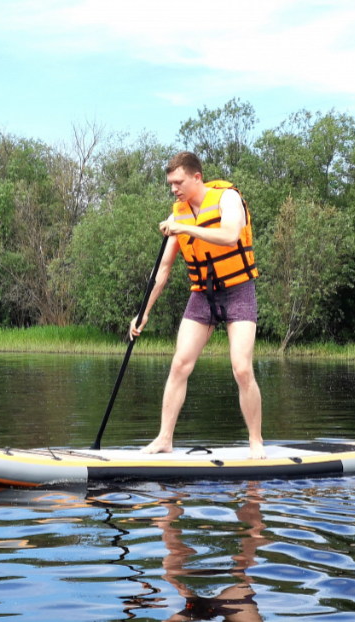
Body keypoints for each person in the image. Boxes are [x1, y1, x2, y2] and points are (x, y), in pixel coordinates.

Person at [129, 151, 265, 460]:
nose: (173, 189)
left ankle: (256, 442)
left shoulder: (227, 199)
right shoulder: (178, 213)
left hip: (238, 290)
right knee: (179, 364)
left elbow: (230, 236)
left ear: (196, 178)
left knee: (242, 369)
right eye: (170, 184)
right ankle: (164, 439)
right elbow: (162, 271)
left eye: (178, 182)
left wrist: (185, 229)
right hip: (203, 295)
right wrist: (143, 313)